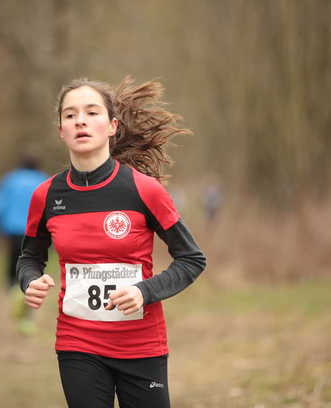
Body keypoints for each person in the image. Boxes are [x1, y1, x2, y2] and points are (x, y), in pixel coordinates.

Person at [18, 77, 206, 408]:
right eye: (70, 115)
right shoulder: (45, 196)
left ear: (112, 126)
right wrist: (30, 280)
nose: (80, 121)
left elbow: (192, 259)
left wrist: (143, 291)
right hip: (77, 344)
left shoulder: (144, 190)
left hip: (141, 345)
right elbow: (29, 258)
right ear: (61, 130)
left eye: (92, 112)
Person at [0, 154, 48, 333]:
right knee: (33, 271)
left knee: (13, 267)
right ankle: (26, 317)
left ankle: (15, 296)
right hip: (36, 233)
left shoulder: (10, 180)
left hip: (12, 232)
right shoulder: (43, 180)